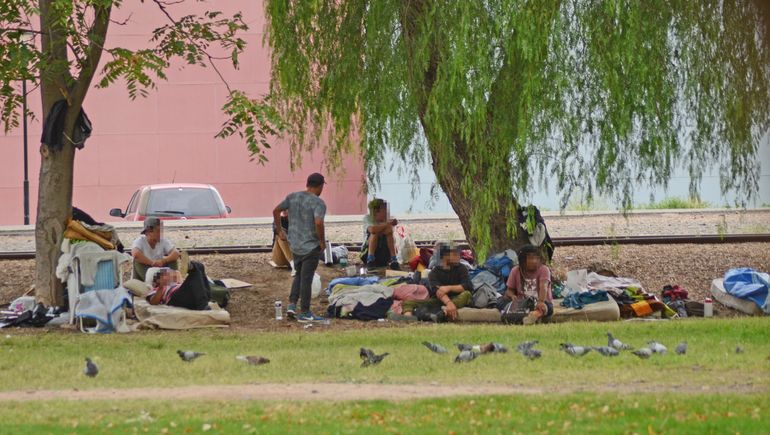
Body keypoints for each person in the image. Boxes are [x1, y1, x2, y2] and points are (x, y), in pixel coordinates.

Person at [273, 173, 327, 323]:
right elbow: (318, 223)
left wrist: (280, 230)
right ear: (320, 186)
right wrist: (322, 241)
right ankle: (305, 312)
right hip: (310, 246)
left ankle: (291, 305)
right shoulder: (318, 203)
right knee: (306, 278)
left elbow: (276, 210)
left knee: (298, 274)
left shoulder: (293, 197)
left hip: (295, 245)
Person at [399, 243, 472, 322]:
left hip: (458, 298)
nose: (458, 256)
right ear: (444, 257)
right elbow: (438, 292)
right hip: (440, 301)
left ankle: (441, 313)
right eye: (453, 254)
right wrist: (449, 303)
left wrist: (448, 288)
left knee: (467, 294)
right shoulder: (433, 273)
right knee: (408, 302)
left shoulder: (462, 268)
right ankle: (409, 320)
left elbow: (466, 286)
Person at [501, 244, 553, 325]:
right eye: (531, 258)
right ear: (522, 260)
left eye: (536, 258)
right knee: (502, 303)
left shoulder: (544, 269)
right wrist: (512, 296)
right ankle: (527, 317)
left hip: (540, 302)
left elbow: (544, 286)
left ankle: (534, 315)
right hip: (523, 303)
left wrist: (541, 301)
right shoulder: (515, 270)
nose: (534, 261)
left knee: (547, 307)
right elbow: (509, 290)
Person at [147, 261, 211, 310]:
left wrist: (177, 275)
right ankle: (202, 306)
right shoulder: (156, 289)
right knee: (194, 274)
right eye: (165, 274)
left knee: (200, 266)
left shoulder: (177, 284)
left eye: (169, 273)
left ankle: (192, 265)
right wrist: (161, 287)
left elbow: (178, 276)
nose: (170, 275)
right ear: (157, 280)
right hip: (175, 299)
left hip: (189, 296)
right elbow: (153, 302)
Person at [360, 198, 400, 270]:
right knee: (374, 233)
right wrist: (386, 224)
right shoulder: (368, 218)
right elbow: (372, 229)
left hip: (384, 254)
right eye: (384, 209)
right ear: (376, 211)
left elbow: (389, 230)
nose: (386, 212)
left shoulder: (388, 219)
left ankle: (394, 260)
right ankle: (370, 259)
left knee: (388, 231)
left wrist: (385, 225)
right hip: (367, 253)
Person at [269, 210, 295, 276]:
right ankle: (294, 265)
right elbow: (276, 228)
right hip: (280, 258)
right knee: (280, 233)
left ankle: (295, 264)